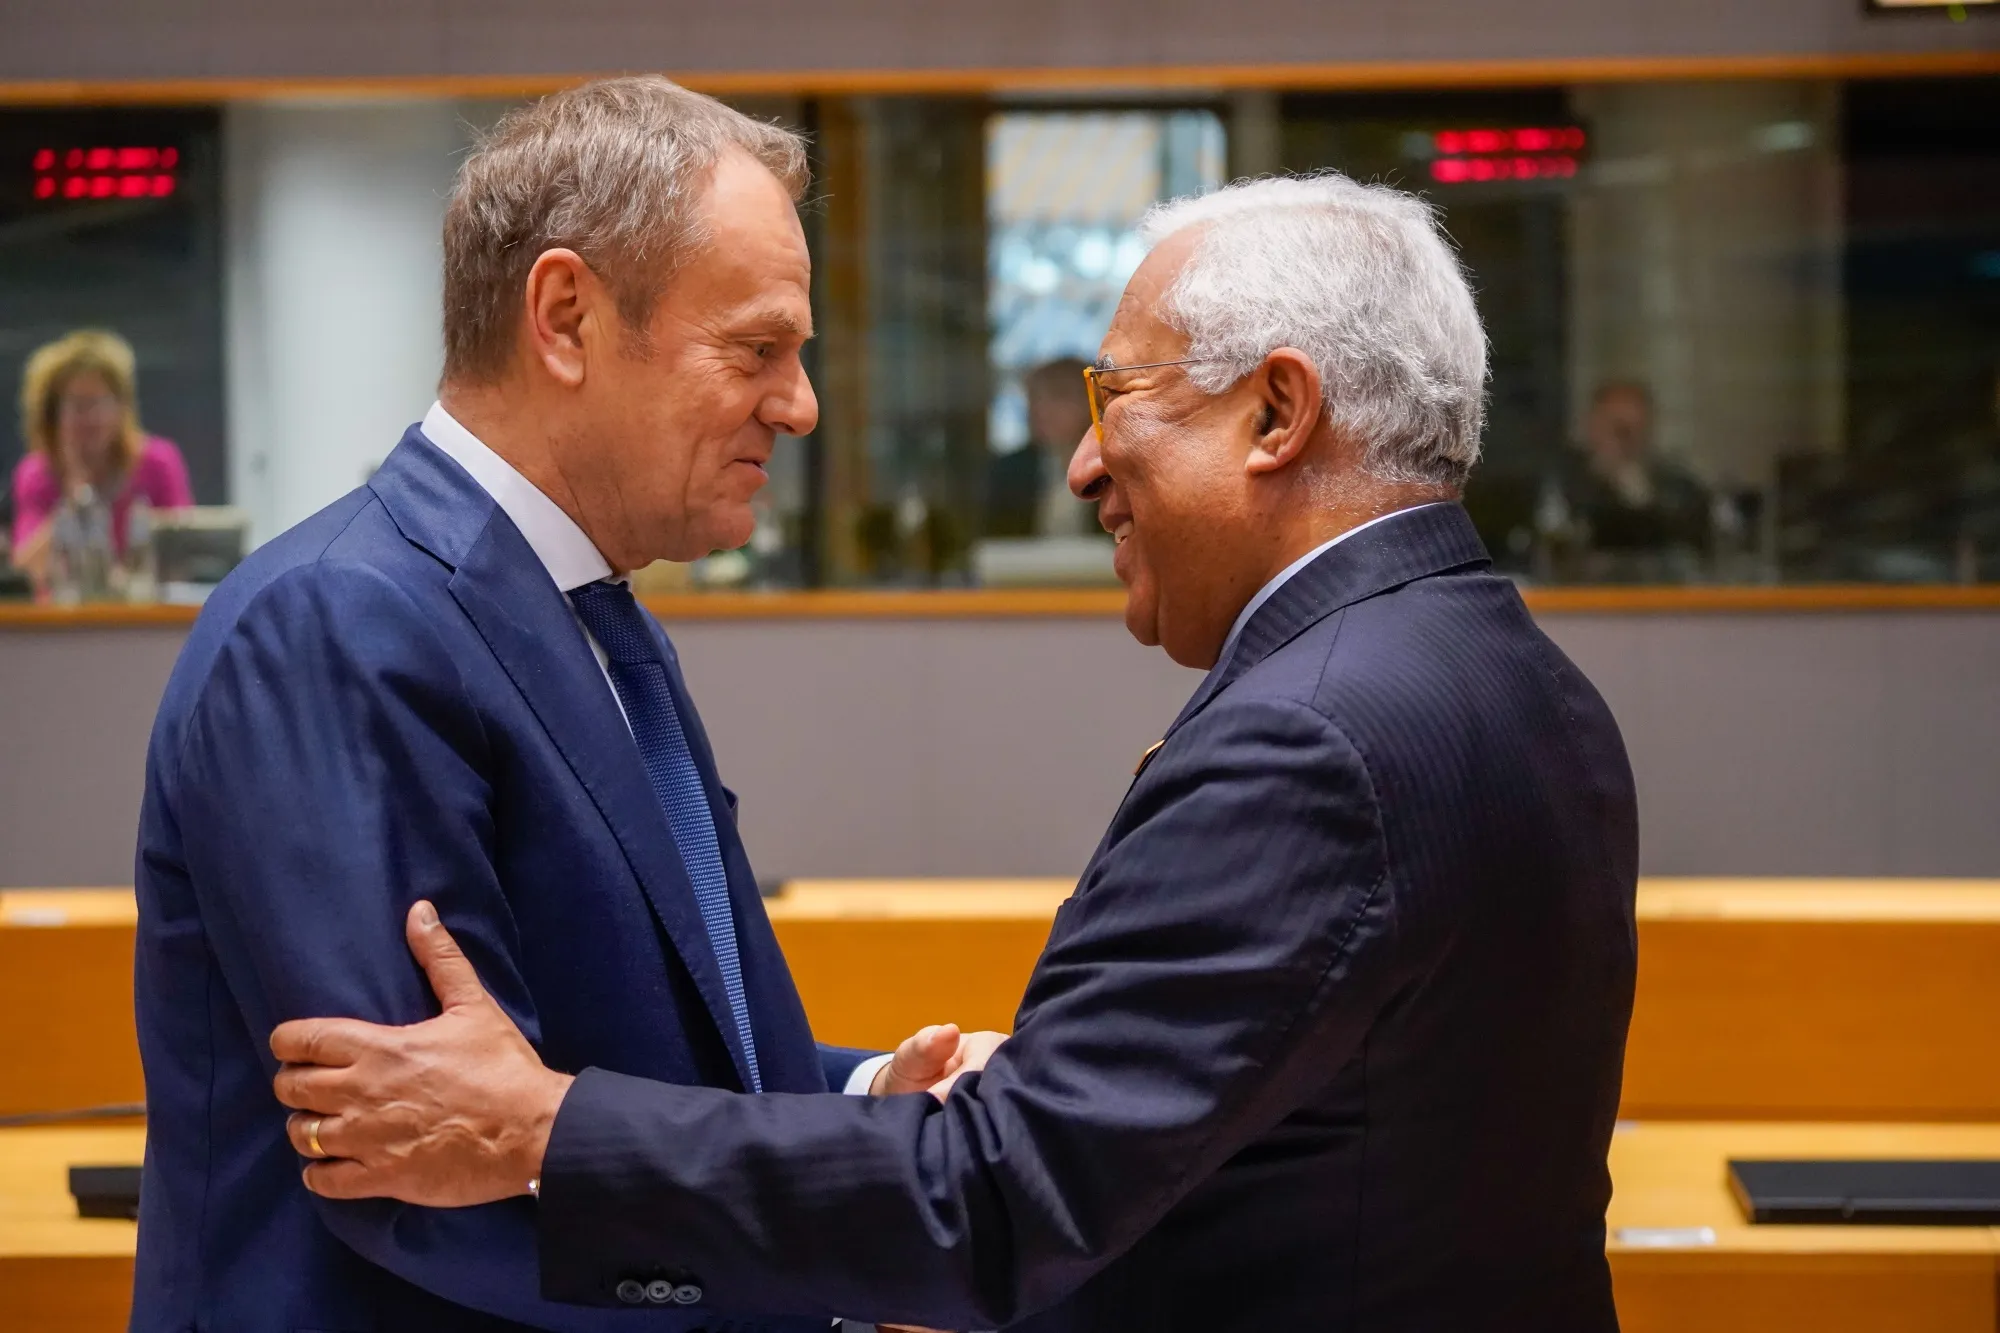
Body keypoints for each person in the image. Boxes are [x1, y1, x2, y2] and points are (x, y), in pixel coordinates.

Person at [270, 171, 1640, 1332]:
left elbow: (996, 1199)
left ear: (1276, 413)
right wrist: (981, 1094)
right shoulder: (1512, 675)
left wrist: (542, 1132)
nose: (1084, 465)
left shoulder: (1310, 740)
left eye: (1120, 394)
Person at [132, 77, 988, 1333]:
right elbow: (424, 1169)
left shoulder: (594, 618)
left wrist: (863, 1107)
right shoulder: (339, 625)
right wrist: (838, 1254)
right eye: (756, 349)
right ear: (567, 317)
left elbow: (634, 1065)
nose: (799, 403)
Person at [11, 329, 192, 590]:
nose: (92, 418)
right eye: (78, 405)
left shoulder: (158, 462)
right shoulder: (38, 473)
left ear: (122, 407)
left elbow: (185, 556)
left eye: (101, 402)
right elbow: (24, 573)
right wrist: (75, 499)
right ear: (53, 415)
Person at [1538, 379, 1712, 581]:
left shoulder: (1677, 487)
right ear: (1591, 426)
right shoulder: (1563, 481)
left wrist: (1641, 497)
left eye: (1638, 429)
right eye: (1619, 429)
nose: (1628, 441)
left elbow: (1694, 547)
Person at [984, 357, 1097, 538]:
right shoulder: (1008, 470)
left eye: (1058, 396)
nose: (1041, 409)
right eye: (1034, 397)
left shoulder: (1115, 466)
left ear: (1091, 402)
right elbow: (997, 543)